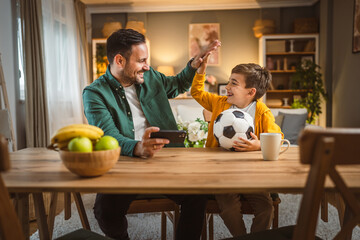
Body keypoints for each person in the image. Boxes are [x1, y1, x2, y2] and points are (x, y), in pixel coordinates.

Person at [83, 29, 220, 240]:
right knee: (104, 211)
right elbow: (108, 137)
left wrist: (194, 65)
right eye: (141, 61)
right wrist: (137, 147)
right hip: (125, 163)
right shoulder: (95, 93)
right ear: (119, 60)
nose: (147, 66)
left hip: (166, 160)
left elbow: (177, 85)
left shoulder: (150, 76)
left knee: (197, 195)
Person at [191, 55, 283, 237]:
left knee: (266, 208)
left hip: (251, 175)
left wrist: (258, 145)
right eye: (228, 82)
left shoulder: (262, 112)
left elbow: (278, 139)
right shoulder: (219, 103)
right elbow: (196, 92)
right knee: (229, 208)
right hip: (221, 174)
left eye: (233, 83)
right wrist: (201, 71)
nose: (227, 87)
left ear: (251, 92)